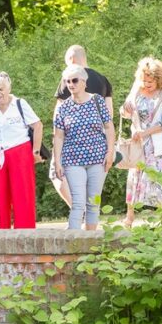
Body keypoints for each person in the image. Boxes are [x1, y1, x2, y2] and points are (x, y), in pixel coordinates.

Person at [52, 64, 115, 230]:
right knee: (78, 202)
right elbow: (58, 136)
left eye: (74, 80)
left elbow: (109, 127)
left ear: (84, 82)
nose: (71, 84)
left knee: (94, 201)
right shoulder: (63, 107)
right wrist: (57, 162)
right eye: (67, 81)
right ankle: (73, 242)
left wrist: (110, 152)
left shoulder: (97, 100)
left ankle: (90, 243)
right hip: (72, 159)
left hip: (98, 158)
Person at [120, 57, 162, 227]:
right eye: (144, 80)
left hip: (159, 144)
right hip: (139, 144)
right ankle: (129, 217)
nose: (146, 84)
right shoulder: (137, 89)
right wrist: (125, 109)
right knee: (134, 178)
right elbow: (125, 112)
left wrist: (144, 132)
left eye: (150, 81)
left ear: (158, 79)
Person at [0, 71, 43, 229]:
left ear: (9, 88)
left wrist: (35, 151)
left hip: (19, 151)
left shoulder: (19, 104)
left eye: (1, 89)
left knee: (22, 195)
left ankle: (25, 232)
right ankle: (4, 233)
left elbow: (37, 125)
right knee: (1, 196)